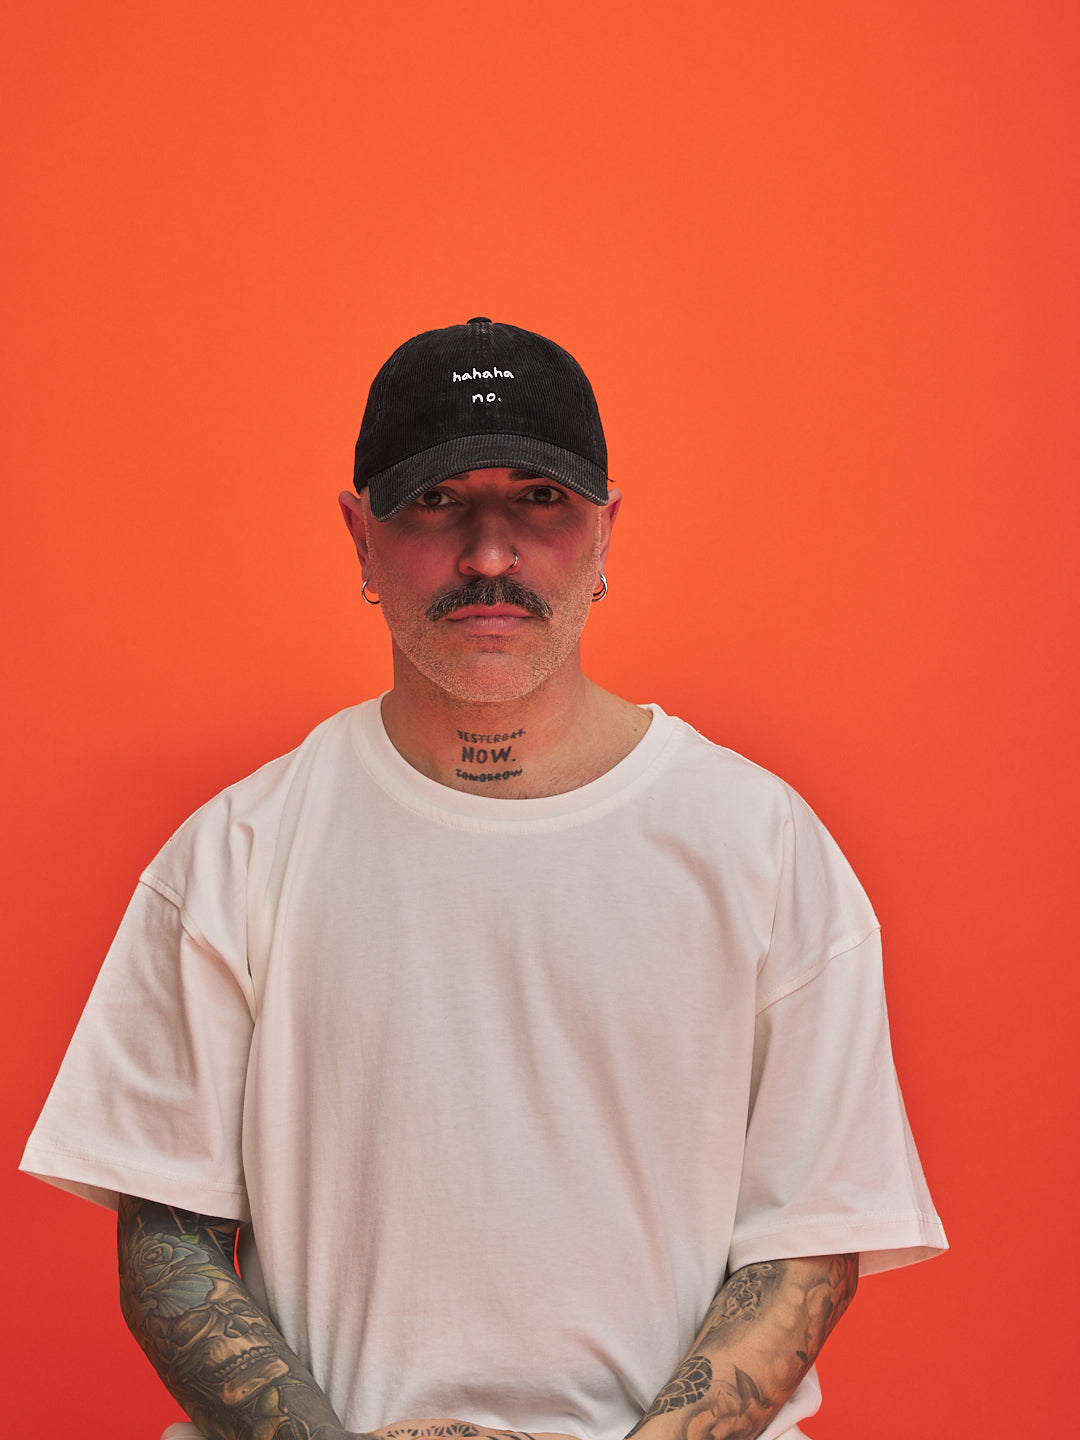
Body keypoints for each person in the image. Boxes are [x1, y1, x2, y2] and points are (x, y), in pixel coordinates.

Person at [21, 318, 946, 1440]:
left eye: (540, 502)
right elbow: (165, 1230)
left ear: (607, 532)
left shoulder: (762, 845)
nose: (491, 556)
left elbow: (810, 1240)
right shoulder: (237, 851)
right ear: (360, 537)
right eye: (440, 502)